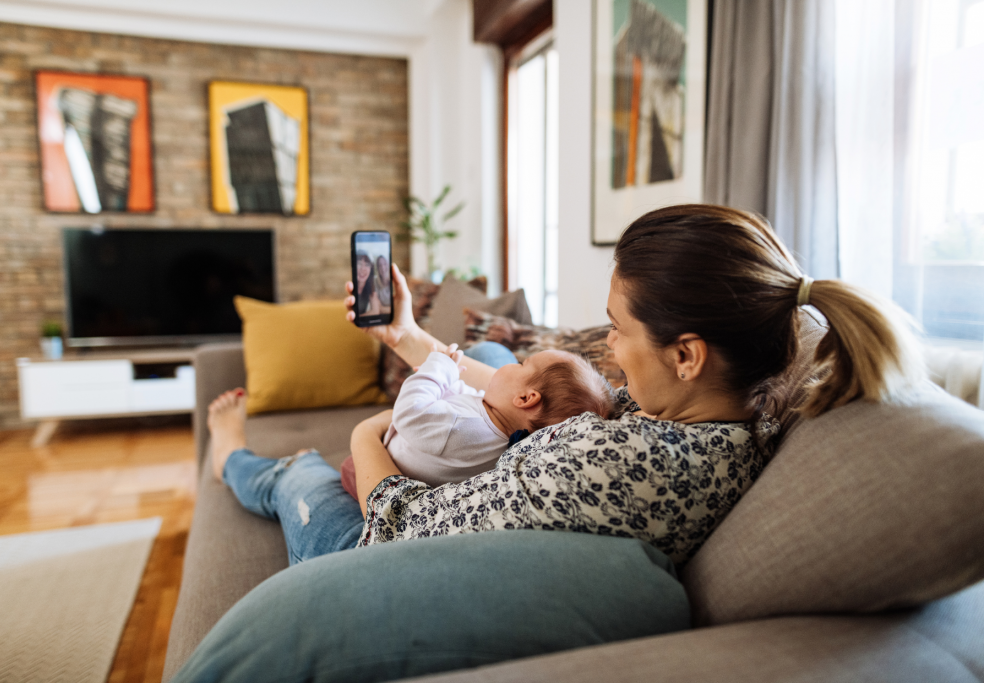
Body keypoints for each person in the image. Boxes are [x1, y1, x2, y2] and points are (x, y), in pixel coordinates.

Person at [207, 204, 924, 566]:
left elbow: (401, 531)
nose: (607, 345)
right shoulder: (698, 422)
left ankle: (229, 453)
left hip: (378, 540)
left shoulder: (616, 464)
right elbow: (514, 387)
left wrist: (367, 432)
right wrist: (405, 335)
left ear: (688, 354)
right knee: (482, 353)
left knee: (300, 471)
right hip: (449, 480)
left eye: (616, 328)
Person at [338, 344, 616, 498]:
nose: (512, 363)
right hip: (414, 447)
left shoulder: (468, 430)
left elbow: (409, 411)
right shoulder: (495, 428)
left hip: (383, 464)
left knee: (344, 469)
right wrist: (446, 381)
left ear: (525, 398)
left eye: (521, 364)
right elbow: (465, 398)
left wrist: (437, 370)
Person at [353, 251, 380, 317]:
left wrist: (357, 318)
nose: (363, 269)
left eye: (367, 265)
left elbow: (375, 311)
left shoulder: (372, 286)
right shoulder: (351, 287)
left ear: (371, 269)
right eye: (359, 264)